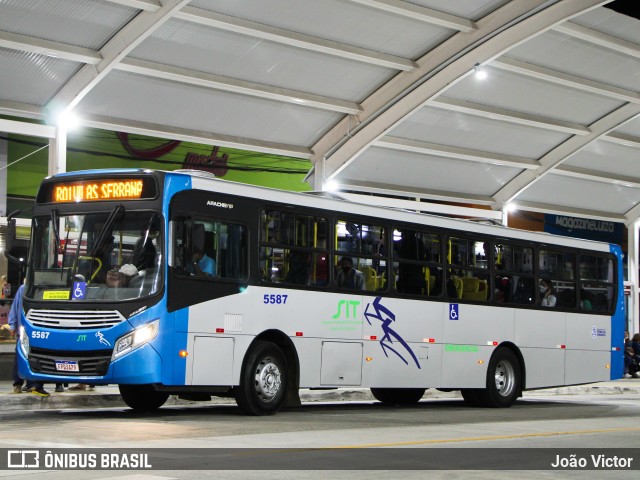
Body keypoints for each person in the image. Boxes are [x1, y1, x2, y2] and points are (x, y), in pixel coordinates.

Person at [9, 282, 49, 396]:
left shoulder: (45, 290)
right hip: (25, 330)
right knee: (20, 355)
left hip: (37, 331)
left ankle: (32, 384)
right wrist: (13, 325)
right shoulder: (24, 288)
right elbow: (16, 305)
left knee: (34, 356)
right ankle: (18, 383)